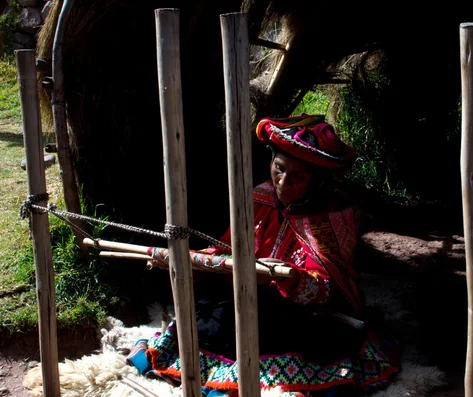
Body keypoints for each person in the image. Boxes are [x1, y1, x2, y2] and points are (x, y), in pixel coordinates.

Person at [126, 114, 400, 396]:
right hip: (247, 297)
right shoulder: (261, 196)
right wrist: (196, 260)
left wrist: (289, 278)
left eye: (298, 177)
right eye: (278, 169)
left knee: (285, 335)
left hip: (302, 312)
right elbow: (226, 248)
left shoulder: (333, 216)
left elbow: (329, 288)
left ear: (317, 182)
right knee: (208, 322)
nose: (283, 183)